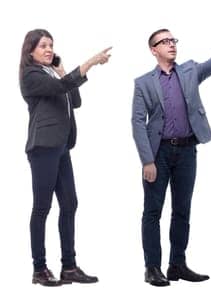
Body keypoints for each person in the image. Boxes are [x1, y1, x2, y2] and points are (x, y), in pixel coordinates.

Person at [131, 22, 211, 287]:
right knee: (152, 211)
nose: (172, 44)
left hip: (188, 150)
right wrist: (147, 160)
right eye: (165, 41)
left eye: (173, 40)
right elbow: (137, 123)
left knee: (182, 210)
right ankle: (152, 267)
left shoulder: (189, 71)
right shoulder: (143, 83)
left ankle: (177, 264)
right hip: (159, 153)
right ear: (153, 50)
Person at [20, 29, 109, 287]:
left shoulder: (51, 73)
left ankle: (69, 267)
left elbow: (75, 99)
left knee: (69, 204)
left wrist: (62, 69)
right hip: (43, 147)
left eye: (51, 45)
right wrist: (90, 62)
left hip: (61, 148)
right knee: (42, 208)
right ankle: (39, 269)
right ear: (31, 51)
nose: (48, 49)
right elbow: (62, 87)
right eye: (43, 46)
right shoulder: (31, 75)